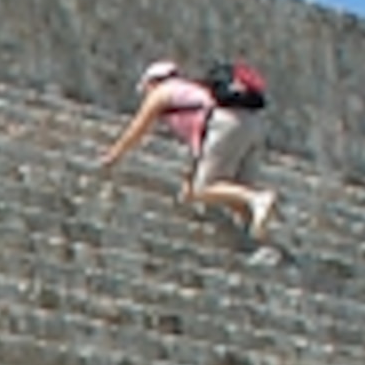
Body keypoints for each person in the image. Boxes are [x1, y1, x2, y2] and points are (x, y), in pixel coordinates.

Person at [95, 57, 278, 242]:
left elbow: (137, 130)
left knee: (204, 188)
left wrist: (113, 156)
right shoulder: (197, 91)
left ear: (153, 82)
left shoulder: (163, 92)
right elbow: (202, 144)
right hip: (252, 125)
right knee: (234, 193)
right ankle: (259, 241)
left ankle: (258, 198)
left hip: (227, 125)